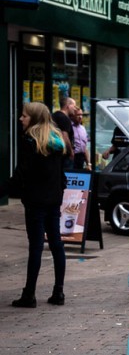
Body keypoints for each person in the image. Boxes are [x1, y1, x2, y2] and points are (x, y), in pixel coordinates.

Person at [8, 102, 67, 308]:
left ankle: (29, 294)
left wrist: (8, 189)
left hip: (35, 201)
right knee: (56, 244)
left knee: (36, 246)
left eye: (24, 116)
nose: (20, 119)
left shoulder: (30, 141)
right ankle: (58, 291)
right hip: (53, 199)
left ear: (33, 118)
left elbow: (21, 173)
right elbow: (61, 174)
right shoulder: (56, 139)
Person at [52, 95, 76, 169]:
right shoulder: (64, 118)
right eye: (74, 106)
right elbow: (65, 137)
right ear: (68, 106)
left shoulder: (54, 115)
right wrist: (71, 151)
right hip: (63, 155)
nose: (75, 109)